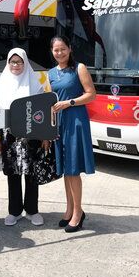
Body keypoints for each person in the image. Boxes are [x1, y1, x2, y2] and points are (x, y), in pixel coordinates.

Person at [0, 48, 48, 226]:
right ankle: (14, 211)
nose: (16, 65)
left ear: (25, 63)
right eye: (12, 62)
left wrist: (45, 136)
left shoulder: (35, 86)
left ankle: (32, 210)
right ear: (8, 63)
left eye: (19, 62)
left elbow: (43, 112)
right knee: (13, 174)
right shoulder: (0, 87)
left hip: (32, 138)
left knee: (31, 174)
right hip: (9, 139)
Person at [48, 36, 96, 233]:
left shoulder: (79, 68)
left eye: (63, 49)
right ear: (52, 51)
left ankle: (78, 212)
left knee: (73, 169)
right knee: (67, 168)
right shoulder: (51, 73)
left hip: (76, 120)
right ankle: (69, 210)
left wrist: (70, 102)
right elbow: (50, 99)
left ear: (69, 49)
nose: (59, 53)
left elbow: (91, 94)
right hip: (59, 122)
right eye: (56, 50)